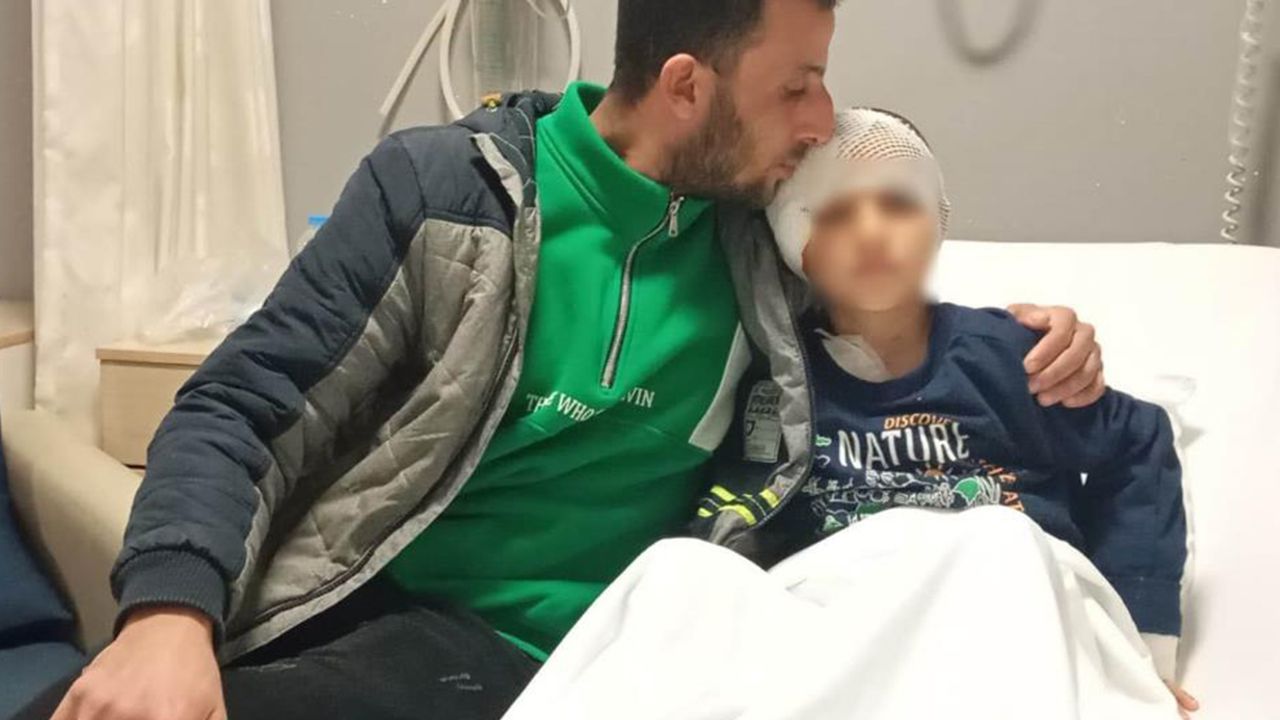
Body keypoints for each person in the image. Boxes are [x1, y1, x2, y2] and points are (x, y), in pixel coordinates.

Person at [24, 2, 1107, 719]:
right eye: (796, 87)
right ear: (685, 86)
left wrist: (1028, 338)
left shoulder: (762, 245)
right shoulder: (442, 196)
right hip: (374, 621)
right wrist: (166, 617)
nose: (822, 121)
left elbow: (888, 327)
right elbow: (243, 405)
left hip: (593, 660)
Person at [499, 108, 1198, 720]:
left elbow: (1138, 443)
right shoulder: (774, 380)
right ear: (791, 245)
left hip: (995, 606)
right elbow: (734, 518)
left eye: (897, 203)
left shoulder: (1013, 358)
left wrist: (1144, 649)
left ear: (937, 221)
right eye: (833, 214)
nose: (869, 232)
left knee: (997, 539)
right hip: (842, 622)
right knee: (678, 570)